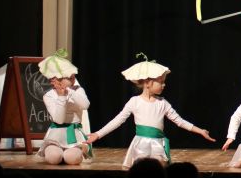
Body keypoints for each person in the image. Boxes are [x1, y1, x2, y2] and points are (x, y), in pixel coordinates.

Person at [85, 53, 215, 168]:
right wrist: (98, 134)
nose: (164, 85)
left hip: (158, 144)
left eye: (164, 82)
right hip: (140, 145)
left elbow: (179, 121)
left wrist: (200, 131)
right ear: (148, 83)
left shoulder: (162, 103)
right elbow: (118, 120)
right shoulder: (134, 102)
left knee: (157, 167)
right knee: (142, 167)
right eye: (161, 82)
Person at [36, 49, 91, 165]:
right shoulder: (49, 96)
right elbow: (59, 120)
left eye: (72, 76)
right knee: (54, 157)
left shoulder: (77, 90)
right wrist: (61, 97)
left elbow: (85, 105)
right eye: (67, 77)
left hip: (74, 135)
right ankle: (58, 152)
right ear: (53, 80)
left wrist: (69, 91)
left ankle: (76, 151)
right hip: (56, 135)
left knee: (71, 158)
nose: (72, 78)